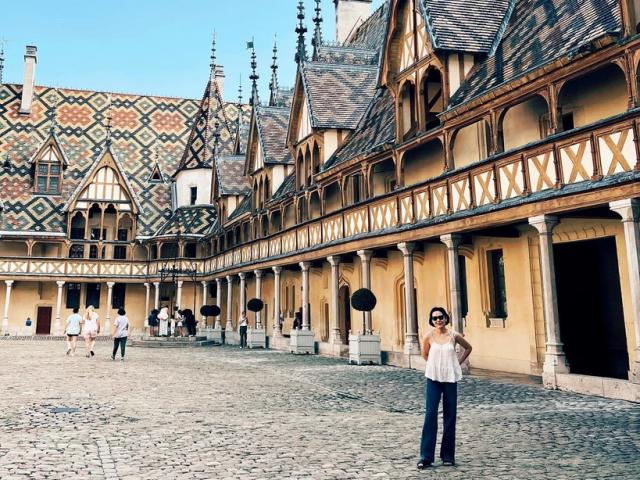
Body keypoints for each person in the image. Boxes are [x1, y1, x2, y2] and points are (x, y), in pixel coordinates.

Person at [417, 307, 472, 469]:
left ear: (446, 318)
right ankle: (426, 457)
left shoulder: (454, 335)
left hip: (450, 378)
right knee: (430, 414)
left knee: (450, 415)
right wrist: (436, 367)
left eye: (441, 317)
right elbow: (425, 355)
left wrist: (457, 364)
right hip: (433, 378)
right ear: (431, 321)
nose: (438, 320)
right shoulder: (428, 336)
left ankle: (448, 456)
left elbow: (468, 348)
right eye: (434, 318)